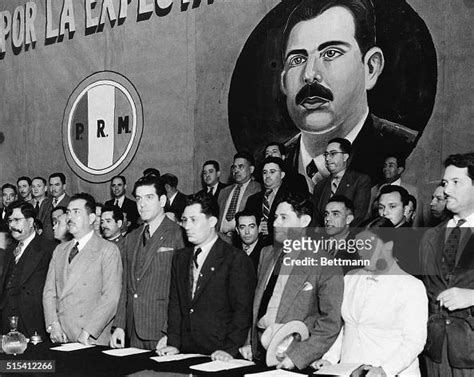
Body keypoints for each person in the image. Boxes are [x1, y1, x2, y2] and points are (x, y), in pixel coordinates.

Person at [281, 0, 417, 192]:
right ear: (283, 81)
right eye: (298, 59)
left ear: (371, 67)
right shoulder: (274, 160)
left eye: (331, 53)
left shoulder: (398, 145)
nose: (310, 74)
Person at [313, 217, 428, 376]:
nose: (361, 251)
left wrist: (384, 370)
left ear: (388, 246)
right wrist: (330, 359)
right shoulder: (350, 279)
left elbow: (414, 341)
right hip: (350, 370)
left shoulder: (411, 287)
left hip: (392, 372)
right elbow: (345, 328)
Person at [241, 193, 343, 370]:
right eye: (275, 217)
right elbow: (256, 305)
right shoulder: (266, 254)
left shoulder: (325, 263)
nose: (275, 223)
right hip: (258, 353)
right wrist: (249, 342)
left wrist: (298, 357)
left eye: (283, 218)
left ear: (304, 221)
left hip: (292, 357)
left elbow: (330, 322)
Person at [157, 193, 256, 360]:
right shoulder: (180, 258)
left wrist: (230, 349)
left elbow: (242, 310)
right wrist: (173, 343)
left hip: (219, 353)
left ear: (212, 222)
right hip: (185, 350)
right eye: (184, 220)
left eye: (194, 220)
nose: (187, 226)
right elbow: (175, 305)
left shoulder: (235, 259)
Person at [111, 175, 185, 350]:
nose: (142, 204)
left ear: (162, 200)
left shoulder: (178, 235)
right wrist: (120, 325)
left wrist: (171, 333)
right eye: (138, 198)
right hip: (133, 330)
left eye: (149, 197)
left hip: (161, 330)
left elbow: (182, 290)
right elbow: (125, 286)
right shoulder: (131, 237)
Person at [43, 193, 122, 345]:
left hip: (91, 338)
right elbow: (49, 292)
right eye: (68, 212)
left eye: (76, 212)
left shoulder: (107, 250)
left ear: (92, 218)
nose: (69, 217)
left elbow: (111, 297)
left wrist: (88, 332)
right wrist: (54, 325)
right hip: (62, 337)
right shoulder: (60, 250)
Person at [420, 153, 474, 376]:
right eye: (445, 183)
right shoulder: (429, 237)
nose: (447, 190)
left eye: (456, 182)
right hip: (436, 353)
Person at [0, 201, 55, 339]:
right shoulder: (10, 250)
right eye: (10, 221)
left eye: (17, 220)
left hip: (33, 322)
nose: (12, 225)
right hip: (7, 322)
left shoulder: (48, 248)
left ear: (30, 222)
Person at [312, 138, 371, 226]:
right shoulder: (320, 186)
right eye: (326, 154)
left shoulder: (360, 180)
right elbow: (316, 219)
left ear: (345, 157)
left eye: (333, 154)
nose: (327, 158)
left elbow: (359, 215)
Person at [217, 151, 261, 238]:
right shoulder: (223, 192)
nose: (236, 170)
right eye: (234, 167)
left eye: (241, 167)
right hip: (221, 239)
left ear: (251, 169)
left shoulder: (257, 189)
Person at [369, 155, 421, 224]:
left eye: (390, 166)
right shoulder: (379, 188)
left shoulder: (412, 190)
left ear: (400, 170)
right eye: (385, 166)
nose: (386, 169)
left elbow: (417, 219)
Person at [245, 157, 289, 240]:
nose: (267, 175)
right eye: (265, 172)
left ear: (282, 175)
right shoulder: (252, 200)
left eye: (272, 172)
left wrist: (271, 231)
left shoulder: (290, 197)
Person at [323, 195, 360, 274]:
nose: (328, 219)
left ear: (348, 219)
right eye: (326, 214)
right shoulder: (316, 243)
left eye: (335, 214)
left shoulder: (358, 249)